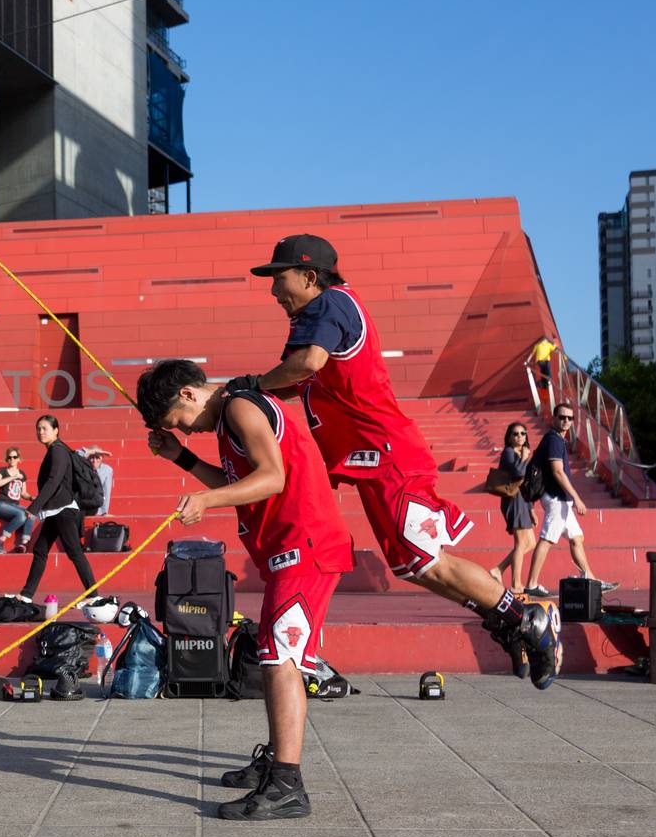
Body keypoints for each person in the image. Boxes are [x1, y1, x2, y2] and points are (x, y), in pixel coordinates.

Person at [227, 235, 562, 688]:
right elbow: (290, 384)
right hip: (367, 461)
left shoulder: (330, 304)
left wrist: (250, 384)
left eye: (279, 278)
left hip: (388, 454)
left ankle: (524, 615)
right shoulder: (314, 315)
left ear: (309, 277)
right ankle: (507, 617)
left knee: (428, 561)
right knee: (413, 566)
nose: (273, 291)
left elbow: (306, 364)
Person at [139, 359, 352, 821]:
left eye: (179, 423)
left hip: (306, 544)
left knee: (279, 658)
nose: (186, 431)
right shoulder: (228, 418)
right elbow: (240, 482)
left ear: (189, 395)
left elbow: (272, 477)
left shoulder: (239, 407)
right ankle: (276, 764)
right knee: (276, 654)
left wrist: (203, 501)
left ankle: (286, 785)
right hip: (287, 549)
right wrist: (181, 458)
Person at [522, 403, 616, 597]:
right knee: (547, 539)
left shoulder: (557, 440)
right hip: (557, 499)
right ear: (554, 418)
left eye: (569, 418)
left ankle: (589, 578)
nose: (566, 421)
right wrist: (577, 498)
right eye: (562, 417)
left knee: (576, 538)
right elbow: (557, 471)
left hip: (561, 500)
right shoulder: (554, 440)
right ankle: (531, 584)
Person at [10, 415, 100, 605]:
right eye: (38, 429)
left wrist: (34, 507)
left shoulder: (57, 451)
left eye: (45, 428)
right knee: (40, 549)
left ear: (56, 430)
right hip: (55, 511)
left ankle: (94, 596)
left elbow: (54, 480)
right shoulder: (57, 449)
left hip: (63, 511)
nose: (41, 432)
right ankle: (26, 595)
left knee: (75, 553)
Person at [487, 422, 538, 597]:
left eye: (523, 433)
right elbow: (518, 474)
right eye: (516, 434)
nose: (520, 437)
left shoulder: (522, 453)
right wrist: (524, 458)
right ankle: (516, 584)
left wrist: (531, 508)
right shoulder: (509, 452)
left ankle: (498, 569)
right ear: (509, 437)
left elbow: (527, 483)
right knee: (521, 543)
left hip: (523, 501)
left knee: (530, 543)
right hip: (513, 500)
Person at [0, 446, 34, 554]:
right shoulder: (2, 470)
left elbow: (23, 493)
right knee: (22, 514)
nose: (12, 459)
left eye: (15, 457)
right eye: (9, 457)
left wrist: (31, 498)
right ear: (7, 459)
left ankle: (23, 544)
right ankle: (0, 540)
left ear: (19, 459)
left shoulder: (22, 474)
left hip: (15, 506)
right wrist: (13, 477)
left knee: (31, 514)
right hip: (1, 504)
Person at [78, 447, 115, 516]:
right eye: (92, 457)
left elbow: (106, 492)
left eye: (97, 457)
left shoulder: (107, 470)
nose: (94, 461)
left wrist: (104, 512)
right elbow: (75, 456)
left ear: (102, 458)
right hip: (81, 505)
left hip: (96, 506)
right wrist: (90, 451)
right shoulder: (81, 467)